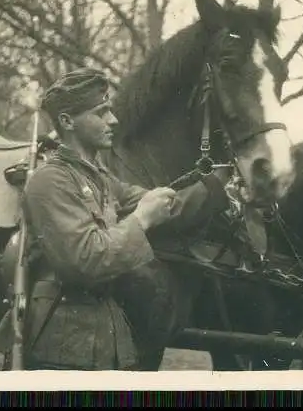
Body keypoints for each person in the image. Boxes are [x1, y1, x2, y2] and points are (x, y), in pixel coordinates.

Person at [20, 67, 230, 371]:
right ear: (67, 121)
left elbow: (166, 203)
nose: (113, 121)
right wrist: (142, 219)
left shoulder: (102, 180)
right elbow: (85, 259)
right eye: (101, 113)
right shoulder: (50, 181)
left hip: (106, 344)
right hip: (64, 348)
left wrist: (219, 185)